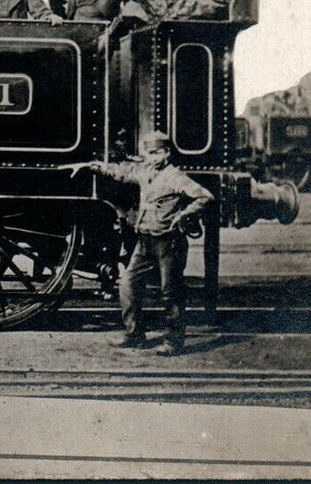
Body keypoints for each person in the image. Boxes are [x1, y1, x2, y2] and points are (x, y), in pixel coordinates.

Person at [75, 131, 214, 355]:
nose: (151, 157)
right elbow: (120, 174)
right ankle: (134, 334)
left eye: (155, 152)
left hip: (168, 242)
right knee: (128, 284)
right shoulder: (147, 173)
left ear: (167, 153)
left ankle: (174, 341)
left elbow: (205, 197)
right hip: (145, 240)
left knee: (171, 292)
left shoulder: (176, 177)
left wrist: (184, 215)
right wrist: (93, 166)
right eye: (148, 153)